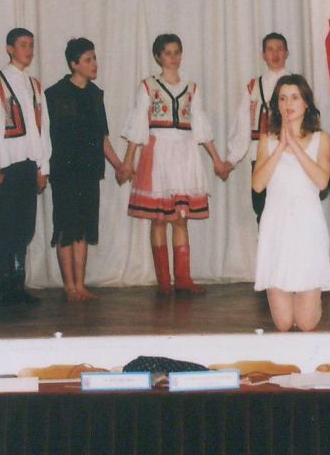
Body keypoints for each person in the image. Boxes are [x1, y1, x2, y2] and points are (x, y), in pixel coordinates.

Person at [117, 34, 228, 296]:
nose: (173, 57)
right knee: (158, 219)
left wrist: (217, 160)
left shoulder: (191, 88)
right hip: (158, 152)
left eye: (177, 52)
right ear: (158, 56)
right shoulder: (148, 86)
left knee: (180, 218)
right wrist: (128, 161)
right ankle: (164, 281)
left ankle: (183, 279)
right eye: (167, 52)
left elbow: (200, 127)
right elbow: (139, 125)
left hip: (184, 154)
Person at [252, 75, 330, 331]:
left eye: (295, 97)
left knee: (306, 323)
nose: (288, 104)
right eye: (283, 98)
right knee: (284, 322)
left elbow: (322, 181)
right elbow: (258, 184)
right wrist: (280, 147)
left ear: (306, 103)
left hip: (307, 228)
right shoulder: (267, 140)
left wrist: (295, 145)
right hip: (276, 228)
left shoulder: (322, 139)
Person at [45, 38, 123, 301]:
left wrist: (119, 165)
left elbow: (102, 138)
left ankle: (80, 285)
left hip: (89, 171)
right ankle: (69, 287)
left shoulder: (95, 94)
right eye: (88, 60)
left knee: (84, 229)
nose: (94, 64)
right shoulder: (55, 94)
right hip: (64, 172)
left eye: (94, 58)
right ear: (74, 64)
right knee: (67, 227)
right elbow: (47, 136)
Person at [0, 28, 51, 307]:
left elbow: (42, 130)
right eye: (23, 45)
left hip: (28, 165)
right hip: (6, 165)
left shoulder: (34, 85)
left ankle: (18, 285)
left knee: (24, 227)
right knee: (5, 227)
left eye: (31, 45)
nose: (28, 50)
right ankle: (5, 287)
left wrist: (43, 166)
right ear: (9, 48)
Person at [225, 33, 291, 219]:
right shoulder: (254, 85)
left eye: (279, 49)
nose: (275, 54)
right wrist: (232, 158)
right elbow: (243, 122)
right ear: (263, 55)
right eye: (270, 49)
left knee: (288, 209)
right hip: (260, 154)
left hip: (290, 154)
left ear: (287, 53)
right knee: (262, 208)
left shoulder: (296, 84)